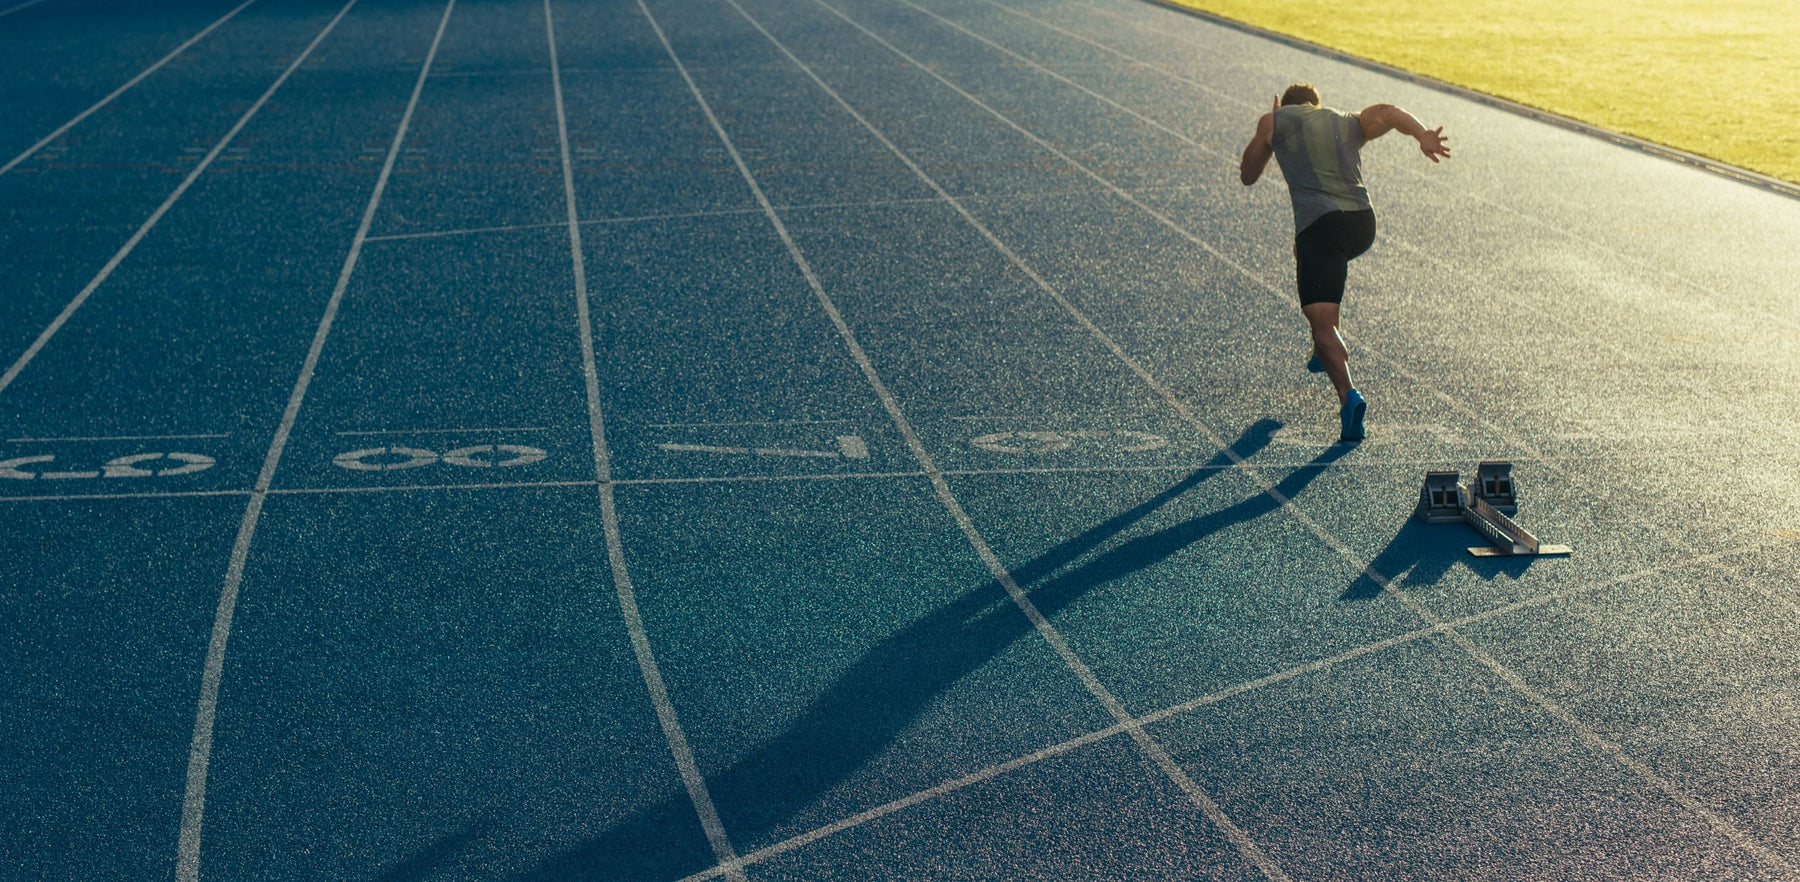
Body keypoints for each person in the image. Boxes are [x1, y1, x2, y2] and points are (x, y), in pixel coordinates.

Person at [1239, 83, 1450, 441]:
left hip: (1321, 228)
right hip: (1361, 224)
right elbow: (1388, 111)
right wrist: (1422, 134)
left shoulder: (1275, 120)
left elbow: (1248, 174)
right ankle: (1323, 348)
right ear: (1316, 105)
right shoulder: (1346, 120)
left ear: (1285, 106)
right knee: (1309, 259)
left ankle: (1347, 394)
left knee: (1321, 324)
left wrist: (1270, 128)